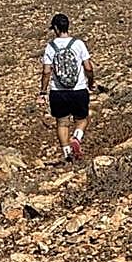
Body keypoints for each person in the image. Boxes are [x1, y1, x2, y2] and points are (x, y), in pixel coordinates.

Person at [37, 13, 95, 163]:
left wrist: (43, 91)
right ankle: (77, 137)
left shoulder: (51, 47)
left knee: (62, 122)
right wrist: (90, 82)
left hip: (58, 91)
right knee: (82, 119)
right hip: (79, 89)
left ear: (55, 28)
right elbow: (88, 67)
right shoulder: (79, 44)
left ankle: (67, 153)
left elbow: (46, 71)